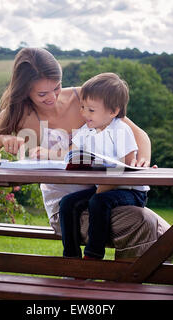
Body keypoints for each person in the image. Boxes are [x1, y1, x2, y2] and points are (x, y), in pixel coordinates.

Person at [0, 47, 170, 261]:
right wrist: (3, 139)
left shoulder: (84, 99)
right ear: (25, 90)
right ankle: (104, 279)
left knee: (166, 235)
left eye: (57, 88)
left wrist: (141, 161)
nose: (52, 97)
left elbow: (138, 135)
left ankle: (120, 283)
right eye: (42, 94)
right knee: (145, 224)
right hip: (66, 208)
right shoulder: (19, 112)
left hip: (105, 192)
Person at [60, 72, 149, 260]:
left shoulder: (121, 129)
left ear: (113, 111)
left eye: (91, 110)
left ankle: (93, 255)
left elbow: (125, 167)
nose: (84, 114)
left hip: (130, 190)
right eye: (83, 108)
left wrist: (101, 189)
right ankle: (70, 257)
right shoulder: (87, 130)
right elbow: (73, 153)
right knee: (67, 203)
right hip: (101, 187)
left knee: (98, 202)